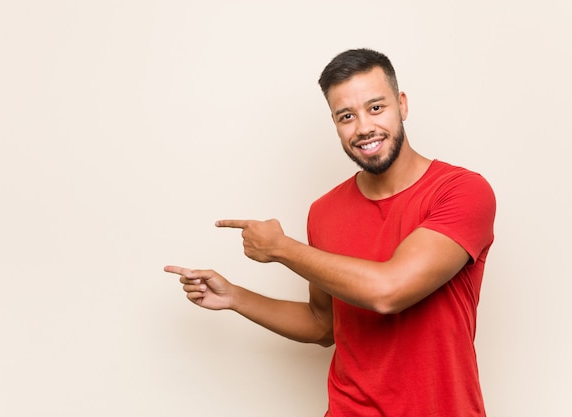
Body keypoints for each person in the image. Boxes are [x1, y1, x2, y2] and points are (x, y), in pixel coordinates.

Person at [164, 48, 496, 416]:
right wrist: (236, 298)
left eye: (375, 107)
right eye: (346, 116)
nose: (364, 128)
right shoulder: (324, 211)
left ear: (401, 105)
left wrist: (282, 249)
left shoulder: (462, 191)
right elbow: (325, 325)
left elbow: (389, 291)